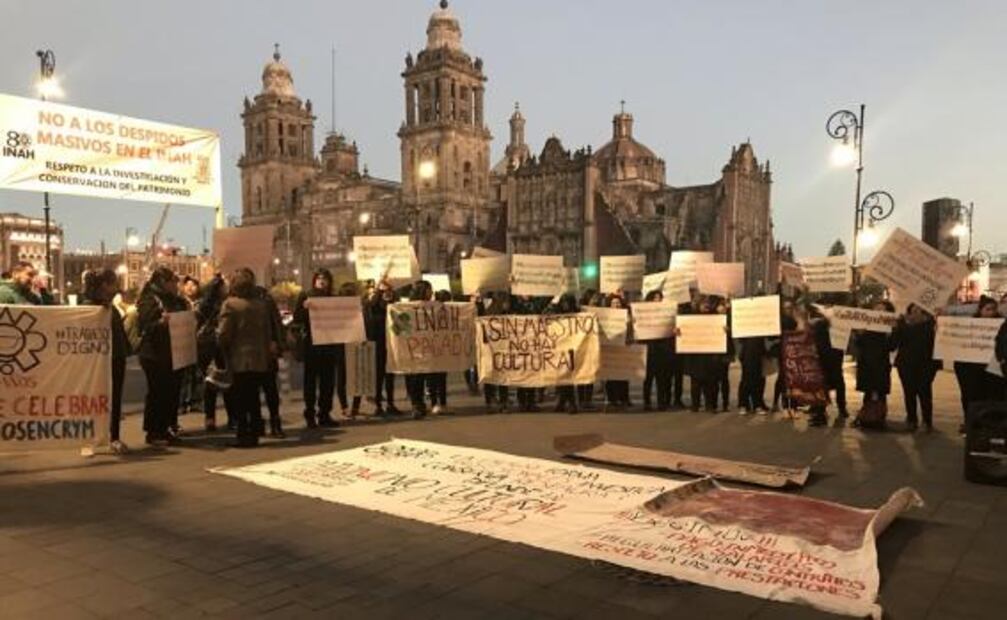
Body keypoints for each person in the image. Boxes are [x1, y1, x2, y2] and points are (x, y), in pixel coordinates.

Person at [217, 268, 274, 447]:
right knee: (254, 396)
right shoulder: (260, 304)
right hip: (259, 357)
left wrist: (217, 336)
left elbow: (224, 333)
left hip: (239, 357)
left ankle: (243, 434)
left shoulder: (230, 304)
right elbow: (267, 331)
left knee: (240, 397)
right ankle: (256, 430)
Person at [136, 266, 188, 445]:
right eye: (173, 281)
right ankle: (154, 431)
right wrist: (161, 323)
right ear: (163, 282)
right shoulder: (149, 299)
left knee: (171, 392)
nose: (176, 285)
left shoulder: (175, 300)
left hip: (173, 352)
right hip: (154, 354)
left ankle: (166, 427)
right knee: (158, 392)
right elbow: (146, 327)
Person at [82, 269, 129, 454]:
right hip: (97, 360)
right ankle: (89, 439)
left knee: (114, 398)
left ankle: (114, 437)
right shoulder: (91, 308)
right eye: (113, 283)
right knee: (93, 399)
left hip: (116, 356)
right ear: (104, 285)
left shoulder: (109, 306)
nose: (116, 287)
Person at [293, 269, 339, 428]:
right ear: (314, 280)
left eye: (325, 278)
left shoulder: (334, 298)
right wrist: (304, 308)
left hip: (329, 345)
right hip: (312, 345)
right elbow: (297, 318)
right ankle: (310, 414)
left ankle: (324, 413)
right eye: (319, 278)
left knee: (328, 382)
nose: (322, 281)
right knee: (310, 382)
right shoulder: (306, 295)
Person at [954, 295, 1003, 434]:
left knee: (992, 398)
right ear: (980, 310)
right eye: (988, 309)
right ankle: (971, 424)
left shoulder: (1002, 324)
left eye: (994, 309)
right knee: (971, 397)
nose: (991, 312)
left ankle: (992, 426)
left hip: (992, 372)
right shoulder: (970, 325)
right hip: (972, 370)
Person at [892, 304, 939, 432]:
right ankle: (911, 419)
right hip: (906, 364)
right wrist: (895, 329)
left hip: (926, 364)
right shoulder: (902, 324)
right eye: (913, 310)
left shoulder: (932, 324)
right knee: (909, 392)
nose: (916, 313)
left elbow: (938, 344)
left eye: (919, 310)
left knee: (925, 392)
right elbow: (893, 344)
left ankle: (927, 421)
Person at [196, 274, 235, 431]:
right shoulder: (224, 304)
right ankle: (232, 417)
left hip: (205, 346)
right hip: (218, 345)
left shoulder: (203, 305)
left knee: (210, 383)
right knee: (226, 381)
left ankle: (210, 418)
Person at [852, 301, 896, 429]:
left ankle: (879, 419)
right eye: (876, 309)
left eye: (883, 310)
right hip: (866, 363)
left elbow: (892, 347)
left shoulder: (890, 327)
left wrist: (890, 336)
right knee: (867, 392)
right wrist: (859, 334)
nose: (879, 312)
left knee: (880, 392)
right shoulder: (866, 325)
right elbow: (859, 344)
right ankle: (867, 419)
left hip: (881, 364)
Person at [365, 280, 401, 417]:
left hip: (391, 342)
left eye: (389, 291)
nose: (387, 294)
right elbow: (371, 304)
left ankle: (390, 403)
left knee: (390, 375)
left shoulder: (394, 304)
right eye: (385, 292)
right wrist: (379, 288)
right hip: (378, 342)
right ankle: (378, 405)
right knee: (379, 376)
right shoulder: (374, 305)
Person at [406, 280, 435, 418]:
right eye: (429, 290)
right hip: (412, 348)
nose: (431, 292)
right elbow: (398, 327)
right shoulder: (407, 308)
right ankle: (415, 404)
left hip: (425, 347)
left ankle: (420, 404)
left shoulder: (432, 307)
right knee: (414, 378)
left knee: (421, 377)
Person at [334, 282, 363, 419]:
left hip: (350, 343)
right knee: (352, 377)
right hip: (345, 344)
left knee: (345, 377)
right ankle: (351, 407)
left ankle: (346, 407)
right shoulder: (338, 309)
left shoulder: (359, 308)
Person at [548, 293, 581, 413]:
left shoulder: (578, 313)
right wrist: (552, 302)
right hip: (559, 348)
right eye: (563, 302)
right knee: (560, 376)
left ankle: (571, 403)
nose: (565, 305)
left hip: (572, 349)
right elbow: (545, 315)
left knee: (568, 377)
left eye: (567, 302)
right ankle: (562, 402)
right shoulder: (556, 313)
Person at [641, 290, 673, 411]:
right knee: (648, 379)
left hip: (662, 350)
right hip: (648, 350)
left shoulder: (666, 314)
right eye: (655, 298)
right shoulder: (644, 314)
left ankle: (661, 402)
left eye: (659, 298)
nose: (658, 300)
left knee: (661, 379)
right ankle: (647, 402)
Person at [604, 292, 631, 408]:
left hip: (623, 347)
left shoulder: (627, 316)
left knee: (624, 375)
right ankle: (612, 399)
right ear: (610, 305)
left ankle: (624, 398)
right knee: (610, 376)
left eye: (618, 302)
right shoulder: (605, 316)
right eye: (613, 303)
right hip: (610, 348)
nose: (616, 305)